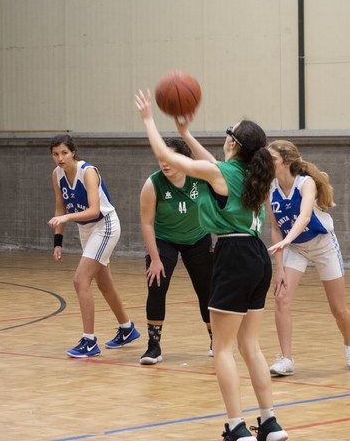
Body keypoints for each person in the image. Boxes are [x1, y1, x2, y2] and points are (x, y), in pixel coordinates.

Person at [134, 90, 288, 441]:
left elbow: (166, 155)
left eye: (228, 132)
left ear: (232, 143)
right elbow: (212, 165)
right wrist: (186, 133)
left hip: (233, 255)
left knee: (222, 348)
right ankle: (269, 422)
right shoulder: (251, 172)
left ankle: (236, 426)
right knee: (251, 346)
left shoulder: (222, 172)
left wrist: (148, 120)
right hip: (257, 255)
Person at [266, 140, 350, 376]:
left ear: (286, 162)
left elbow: (305, 216)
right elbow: (275, 228)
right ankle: (286, 359)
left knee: (338, 309)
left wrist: (287, 240)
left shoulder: (305, 183)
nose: (267, 162)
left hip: (323, 245)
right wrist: (279, 267)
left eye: (272, 158)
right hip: (295, 249)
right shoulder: (271, 187)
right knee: (281, 299)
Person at [48, 134, 140, 358]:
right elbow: (60, 207)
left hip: (104, 225)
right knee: (104, 284)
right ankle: (127, 328)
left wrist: (67, 218)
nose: (60, 158)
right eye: (55, 154)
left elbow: (94, 210)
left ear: (73, 152)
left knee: (80, 280)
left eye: (64, 153)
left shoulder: (88, 172)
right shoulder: (57, 174)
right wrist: (58, 242)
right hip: (86, 229)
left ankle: (89, 341)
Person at [139, 137, 213, 365]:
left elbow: (215, 167)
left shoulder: (199, 176)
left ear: (183, 158)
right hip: (164, 240)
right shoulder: (153, 184)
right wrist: (155, 259)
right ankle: (153, 346)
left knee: (207, 291)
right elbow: (147, 223)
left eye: (169, 158)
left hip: (198, 238)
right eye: (161, 158)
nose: (164, 163)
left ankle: (216, 339)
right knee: (156, 287)